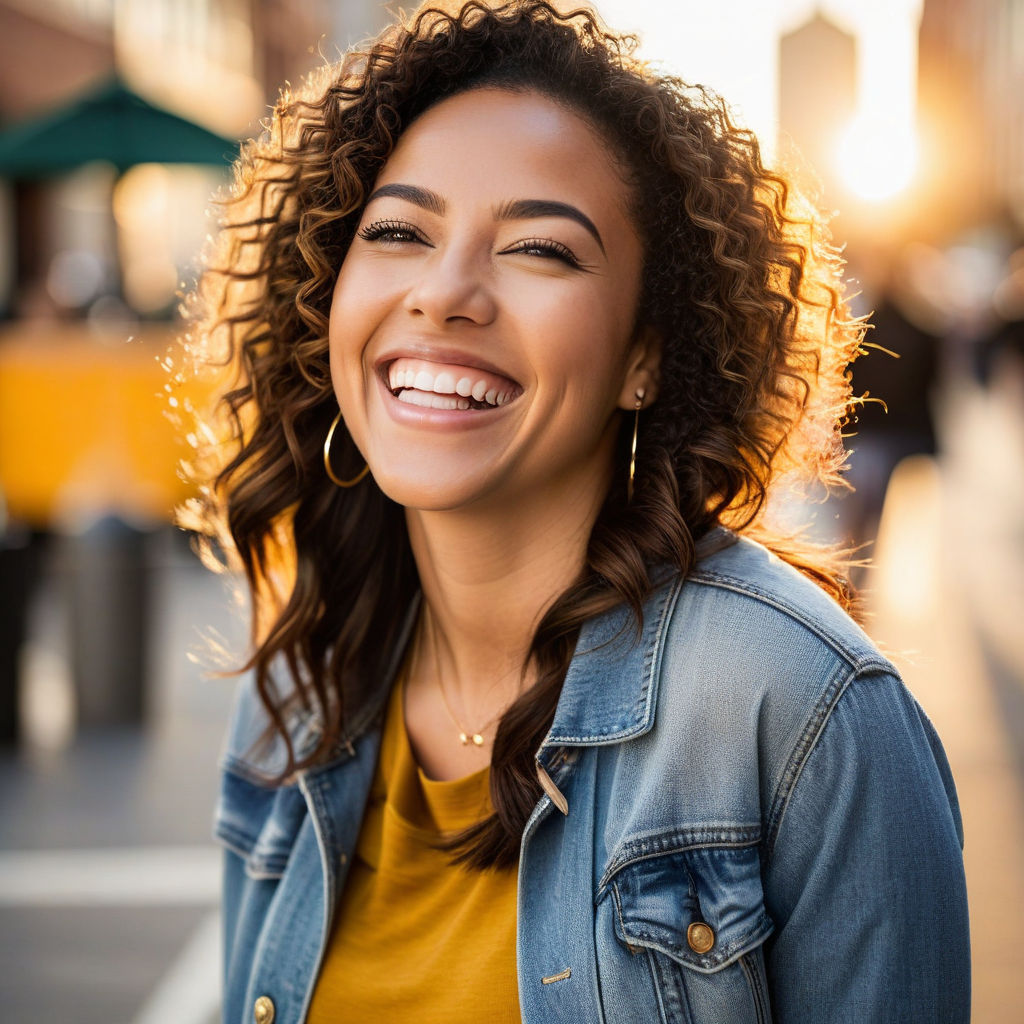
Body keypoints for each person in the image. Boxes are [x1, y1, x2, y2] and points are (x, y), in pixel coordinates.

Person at [179, 2, 970, 1021]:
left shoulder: (806, 710)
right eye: (398, 231)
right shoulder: (302, 679)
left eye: (540, 250)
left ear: (647, 357)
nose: (445, 292)